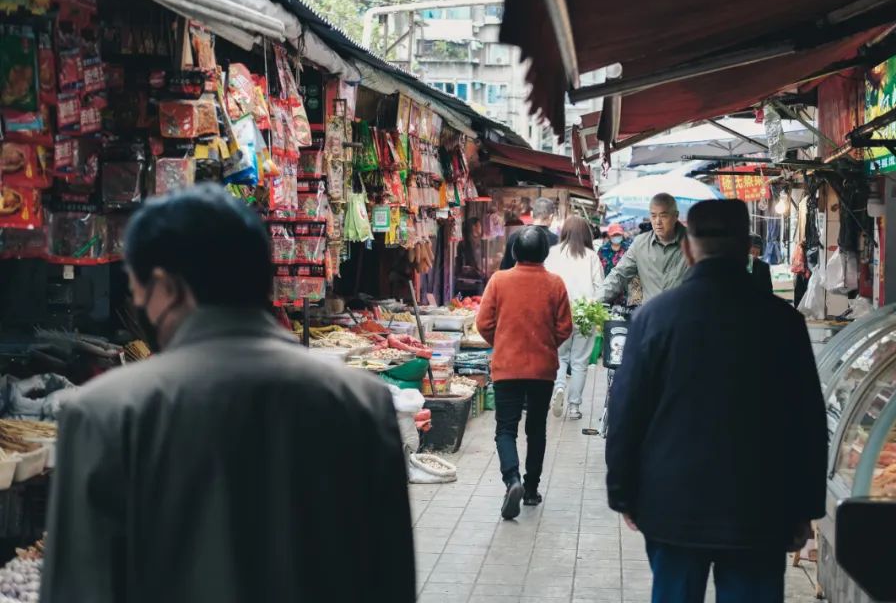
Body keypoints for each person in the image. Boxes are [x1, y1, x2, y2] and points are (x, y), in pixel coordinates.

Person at [41, 185, 414, 603]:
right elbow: (391, 582)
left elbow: (79, 588)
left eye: (137, 288)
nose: (138, 301)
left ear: (167, 287)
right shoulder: (362, 403)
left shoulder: (103, 412)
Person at [605, 199, 827, 603]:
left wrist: (623, 492)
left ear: (688, 249)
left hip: (672, 503)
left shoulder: (655, 319)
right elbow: (808, 422)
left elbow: (626, 412)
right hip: (759, 507)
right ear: (746, 249)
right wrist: (806, 507)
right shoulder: (783, 322)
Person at [477, 226, 573, 519]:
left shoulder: (499, 280)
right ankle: (531, 489)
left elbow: (483, 323)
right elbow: (565, 327)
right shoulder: (555, 283)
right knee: (536, 429)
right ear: (545, 252)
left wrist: (503, 343)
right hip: (543, 369)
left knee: (506, 429)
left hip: (507, 367)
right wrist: (545, 344)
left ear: (514, 251)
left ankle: (512, 480)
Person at [545, 215, 605, 421]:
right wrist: (592, 306)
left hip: (558, 315)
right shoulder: (591, 257)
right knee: (580, 362)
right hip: (585, 315)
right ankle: (574, 407)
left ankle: (559, 387)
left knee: (559, 357)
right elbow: (601, 288)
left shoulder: (553, 254)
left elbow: (546, 285)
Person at [600, 193, 690, 305]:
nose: (658, 222)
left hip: (683, 313)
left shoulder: (694, 243)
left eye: (663, 216)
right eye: (653, 216)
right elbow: (619, 275)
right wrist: (595, 301)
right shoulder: (640, 244)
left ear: (675, 216)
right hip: (651, 313)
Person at [500, 196, 558, 270]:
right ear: (551, 216)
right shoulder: (558, 241)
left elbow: (505, 268)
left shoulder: (514, 237)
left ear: (531, 214)